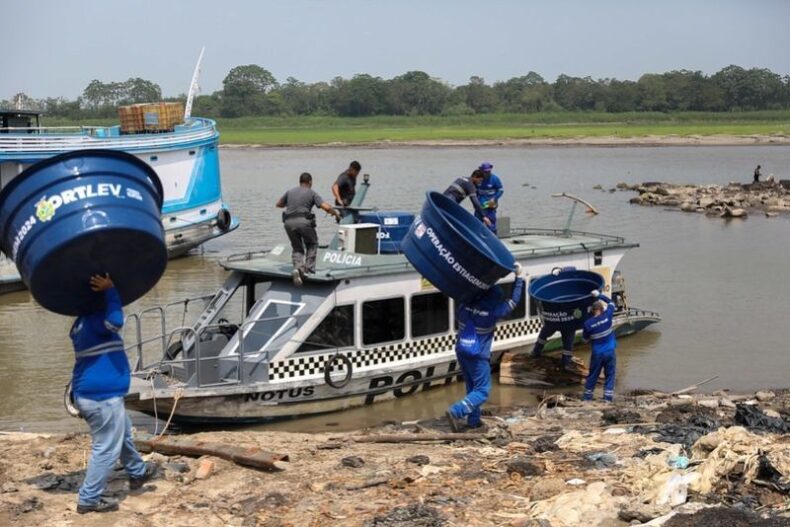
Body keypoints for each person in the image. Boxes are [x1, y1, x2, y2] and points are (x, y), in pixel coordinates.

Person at [71, 274, 157, 514]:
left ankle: (137, 472)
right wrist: (111, 291)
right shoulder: (98, 322)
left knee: (124, 434)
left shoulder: (80, 323)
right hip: (102, 398)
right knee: (106, 448)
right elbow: (116, 320)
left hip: (95, 395)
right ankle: (88, 499)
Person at [447, 264, 525, 431]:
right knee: (482, 390)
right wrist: (519, 277)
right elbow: (514, 300)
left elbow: (467, 292)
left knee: (471, 387)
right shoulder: (493, 313)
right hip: (478, 355)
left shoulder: (463, 307)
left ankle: (473, 421)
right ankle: (456, 411)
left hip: (461, 350)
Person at [277, 172, 341, 286]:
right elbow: (325, 207)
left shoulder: (290, 191)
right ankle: (309, 269)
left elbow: (279, 204)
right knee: (312, 243)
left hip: (288, 223)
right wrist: (335, 213)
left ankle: (298, 268)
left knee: (297, 247)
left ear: (300, 181)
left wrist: (290, 203)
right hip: (304, 222)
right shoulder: (311, 193)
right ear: (310, 182)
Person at [530, 267, 577, 369]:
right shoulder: (570, 288)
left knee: (546, 336)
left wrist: (559, 272)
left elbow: (538, 286)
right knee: (566, 342)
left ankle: (536, 352)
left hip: (556, 319)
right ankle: (566, 362)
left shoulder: (560, 287)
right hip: (563, 320)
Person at [582, 290, 617, 402]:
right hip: (610, 352)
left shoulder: (588, 324)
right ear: (602, 309)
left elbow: (585, 340)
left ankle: (587, 398)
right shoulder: (607, 316)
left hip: (597, 354)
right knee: (610, 375)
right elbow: (611, 302)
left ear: (592, 311)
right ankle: (607, 399)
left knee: (593, 375)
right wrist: (599, 295)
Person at [475, 162, 504, 234]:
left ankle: (493, 236)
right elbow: (474, 191)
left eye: (489, 171)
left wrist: (495, 198)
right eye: (485, 172)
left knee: (491, 222)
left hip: (491, 204)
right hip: (480, 204)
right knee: (477, 222)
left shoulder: (495, 178)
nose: (487, 173)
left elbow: (500, 190)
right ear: (481, 171)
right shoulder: (478, 179)